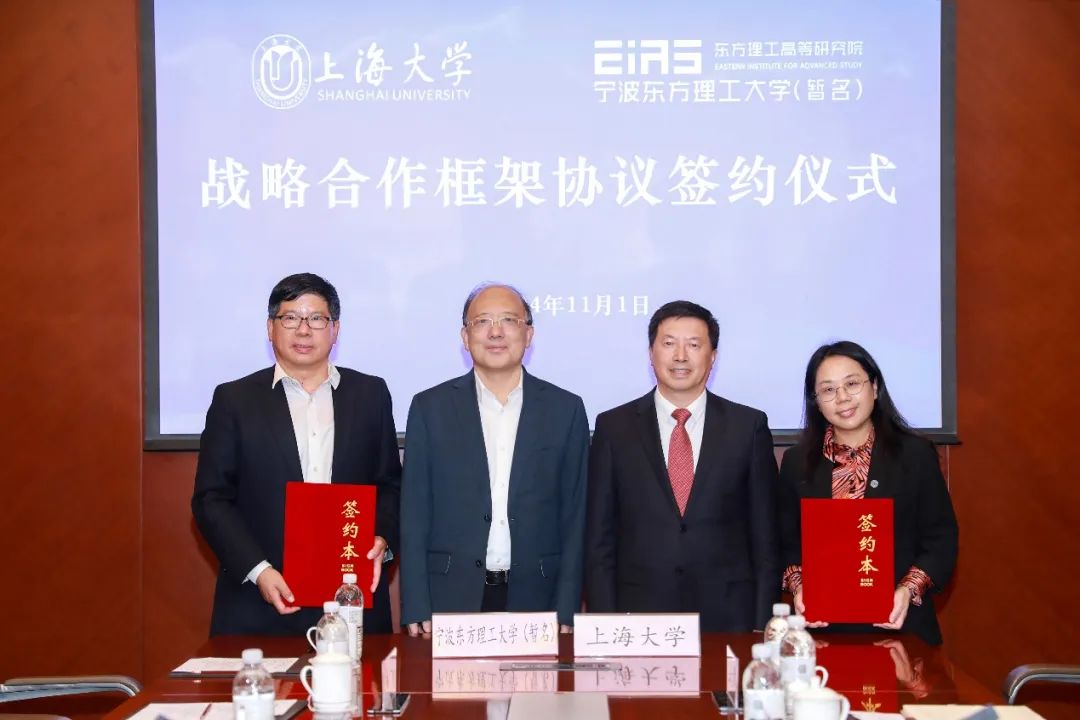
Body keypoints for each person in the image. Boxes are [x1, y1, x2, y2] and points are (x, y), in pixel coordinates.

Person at [192, 273, 401, 635]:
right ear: (270, 328)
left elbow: (390, 485)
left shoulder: (370, 394)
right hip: (259, 602)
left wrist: (381, 538)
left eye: (316, 318)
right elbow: (211, 499)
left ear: (335, 330)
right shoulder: (234, 400)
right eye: (290, 318)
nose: (304, 330)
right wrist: (259, 570)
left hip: (352, 600)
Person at [399, 283, 589, 635]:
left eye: (509, 320)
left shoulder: (565, 409)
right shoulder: (430, 408)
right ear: (465, 335)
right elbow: (414, 513)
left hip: (539, 596)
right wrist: (416, 603)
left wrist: (567, 607)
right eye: (483, 321)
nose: (496, 332)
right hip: (449, 596)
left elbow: (575, 517)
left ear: (528, 334)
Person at [585, 300, 780, 631]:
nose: (680, 356)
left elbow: (765, 538)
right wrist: (604, 624)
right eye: (668, 343)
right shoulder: (614, 427)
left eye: (693, 345)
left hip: (729, 617)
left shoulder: (748, 427)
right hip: (639, 616)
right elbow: (599, 541)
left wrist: (763, 624)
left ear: (713, 356)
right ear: (651, 352)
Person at [778, 340, 958, 645]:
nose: (842, 398)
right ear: (816, 401)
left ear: (874, 387)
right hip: (821, 633)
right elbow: (786, 542)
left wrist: (908, 590)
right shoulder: (798, 462)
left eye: (852, 384)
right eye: (828, 389)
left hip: (901, 627)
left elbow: (940, 539)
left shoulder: (915, 455)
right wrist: (800, 587)